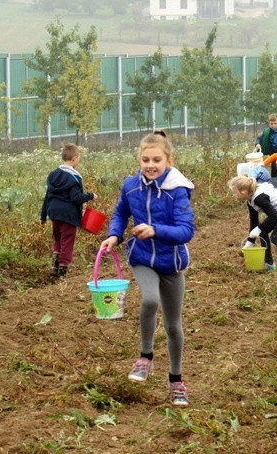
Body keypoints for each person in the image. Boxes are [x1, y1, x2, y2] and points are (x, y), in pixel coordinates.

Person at [100, 132, 195, 407]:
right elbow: (120, 213)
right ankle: (145, 357)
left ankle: (176, 381)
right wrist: (115, 235)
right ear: (138, 160)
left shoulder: (177, 191)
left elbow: (186, 230)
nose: (150, 164)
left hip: (172, 264)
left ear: (169, 160)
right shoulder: (131, 186)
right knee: (150, 299)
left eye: (156, 159)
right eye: (145, 159)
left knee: (173, 326)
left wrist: (155, 230)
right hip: (141, 257)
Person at [40, 143, 97, 277]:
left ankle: (55, 264)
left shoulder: (53, 175)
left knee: (58, 238)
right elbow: (76, 198)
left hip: (53, 212)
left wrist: (43, 216)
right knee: (67, 239)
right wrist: (91, 196)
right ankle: (63, 268)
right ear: (75, 158)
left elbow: (47, 196)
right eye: (79, 157)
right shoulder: (73, 177)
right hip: (68, 214)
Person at [228, 175, 277, 271]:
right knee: (262, 234)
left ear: (243, 191)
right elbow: (254, 222)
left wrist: (259, 229)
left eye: (235, 192)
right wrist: (249, 244)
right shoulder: (250, 201)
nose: (234, 195)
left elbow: (273, 217)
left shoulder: (260, 198)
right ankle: (269, 264)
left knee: (276, 238)